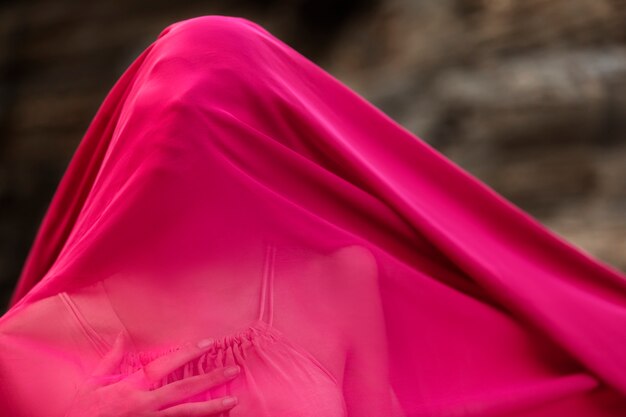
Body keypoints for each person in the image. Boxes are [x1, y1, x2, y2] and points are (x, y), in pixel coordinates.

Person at [1, 14, 626, 417]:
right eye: (171, 128)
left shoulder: (335, 283)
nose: (190, 145)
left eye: (222, 123)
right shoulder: (17, 350)